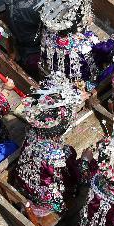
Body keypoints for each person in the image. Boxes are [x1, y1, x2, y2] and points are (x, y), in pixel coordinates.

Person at [15, 72, 89, 217]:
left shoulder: (34, 129)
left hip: (23, 180)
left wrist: (75, 97)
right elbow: (77, 178)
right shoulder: (54, 154)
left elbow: (54, 102)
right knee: (72, 158)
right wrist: (86, 161)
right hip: (45, 197)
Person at [36, 0, 103, 88]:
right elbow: (98, 58)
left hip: (54, 70)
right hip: (78, 79)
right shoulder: (84, 44)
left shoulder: (48, 31)